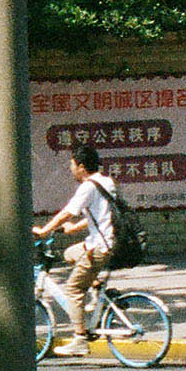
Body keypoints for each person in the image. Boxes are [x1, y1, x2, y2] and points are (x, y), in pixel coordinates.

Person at [37, 143, 119, 354]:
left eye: (72, 165)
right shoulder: (106, 182)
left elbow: (67, 212)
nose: (71, 169)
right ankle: (98, 288)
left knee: (73, 290)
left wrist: (45, 230)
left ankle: (80, 338)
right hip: (106, 241)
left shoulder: (88, 187)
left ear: (81, 166)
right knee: (70, 253)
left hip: (99, 247)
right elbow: (103, 216)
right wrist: (74, 229)